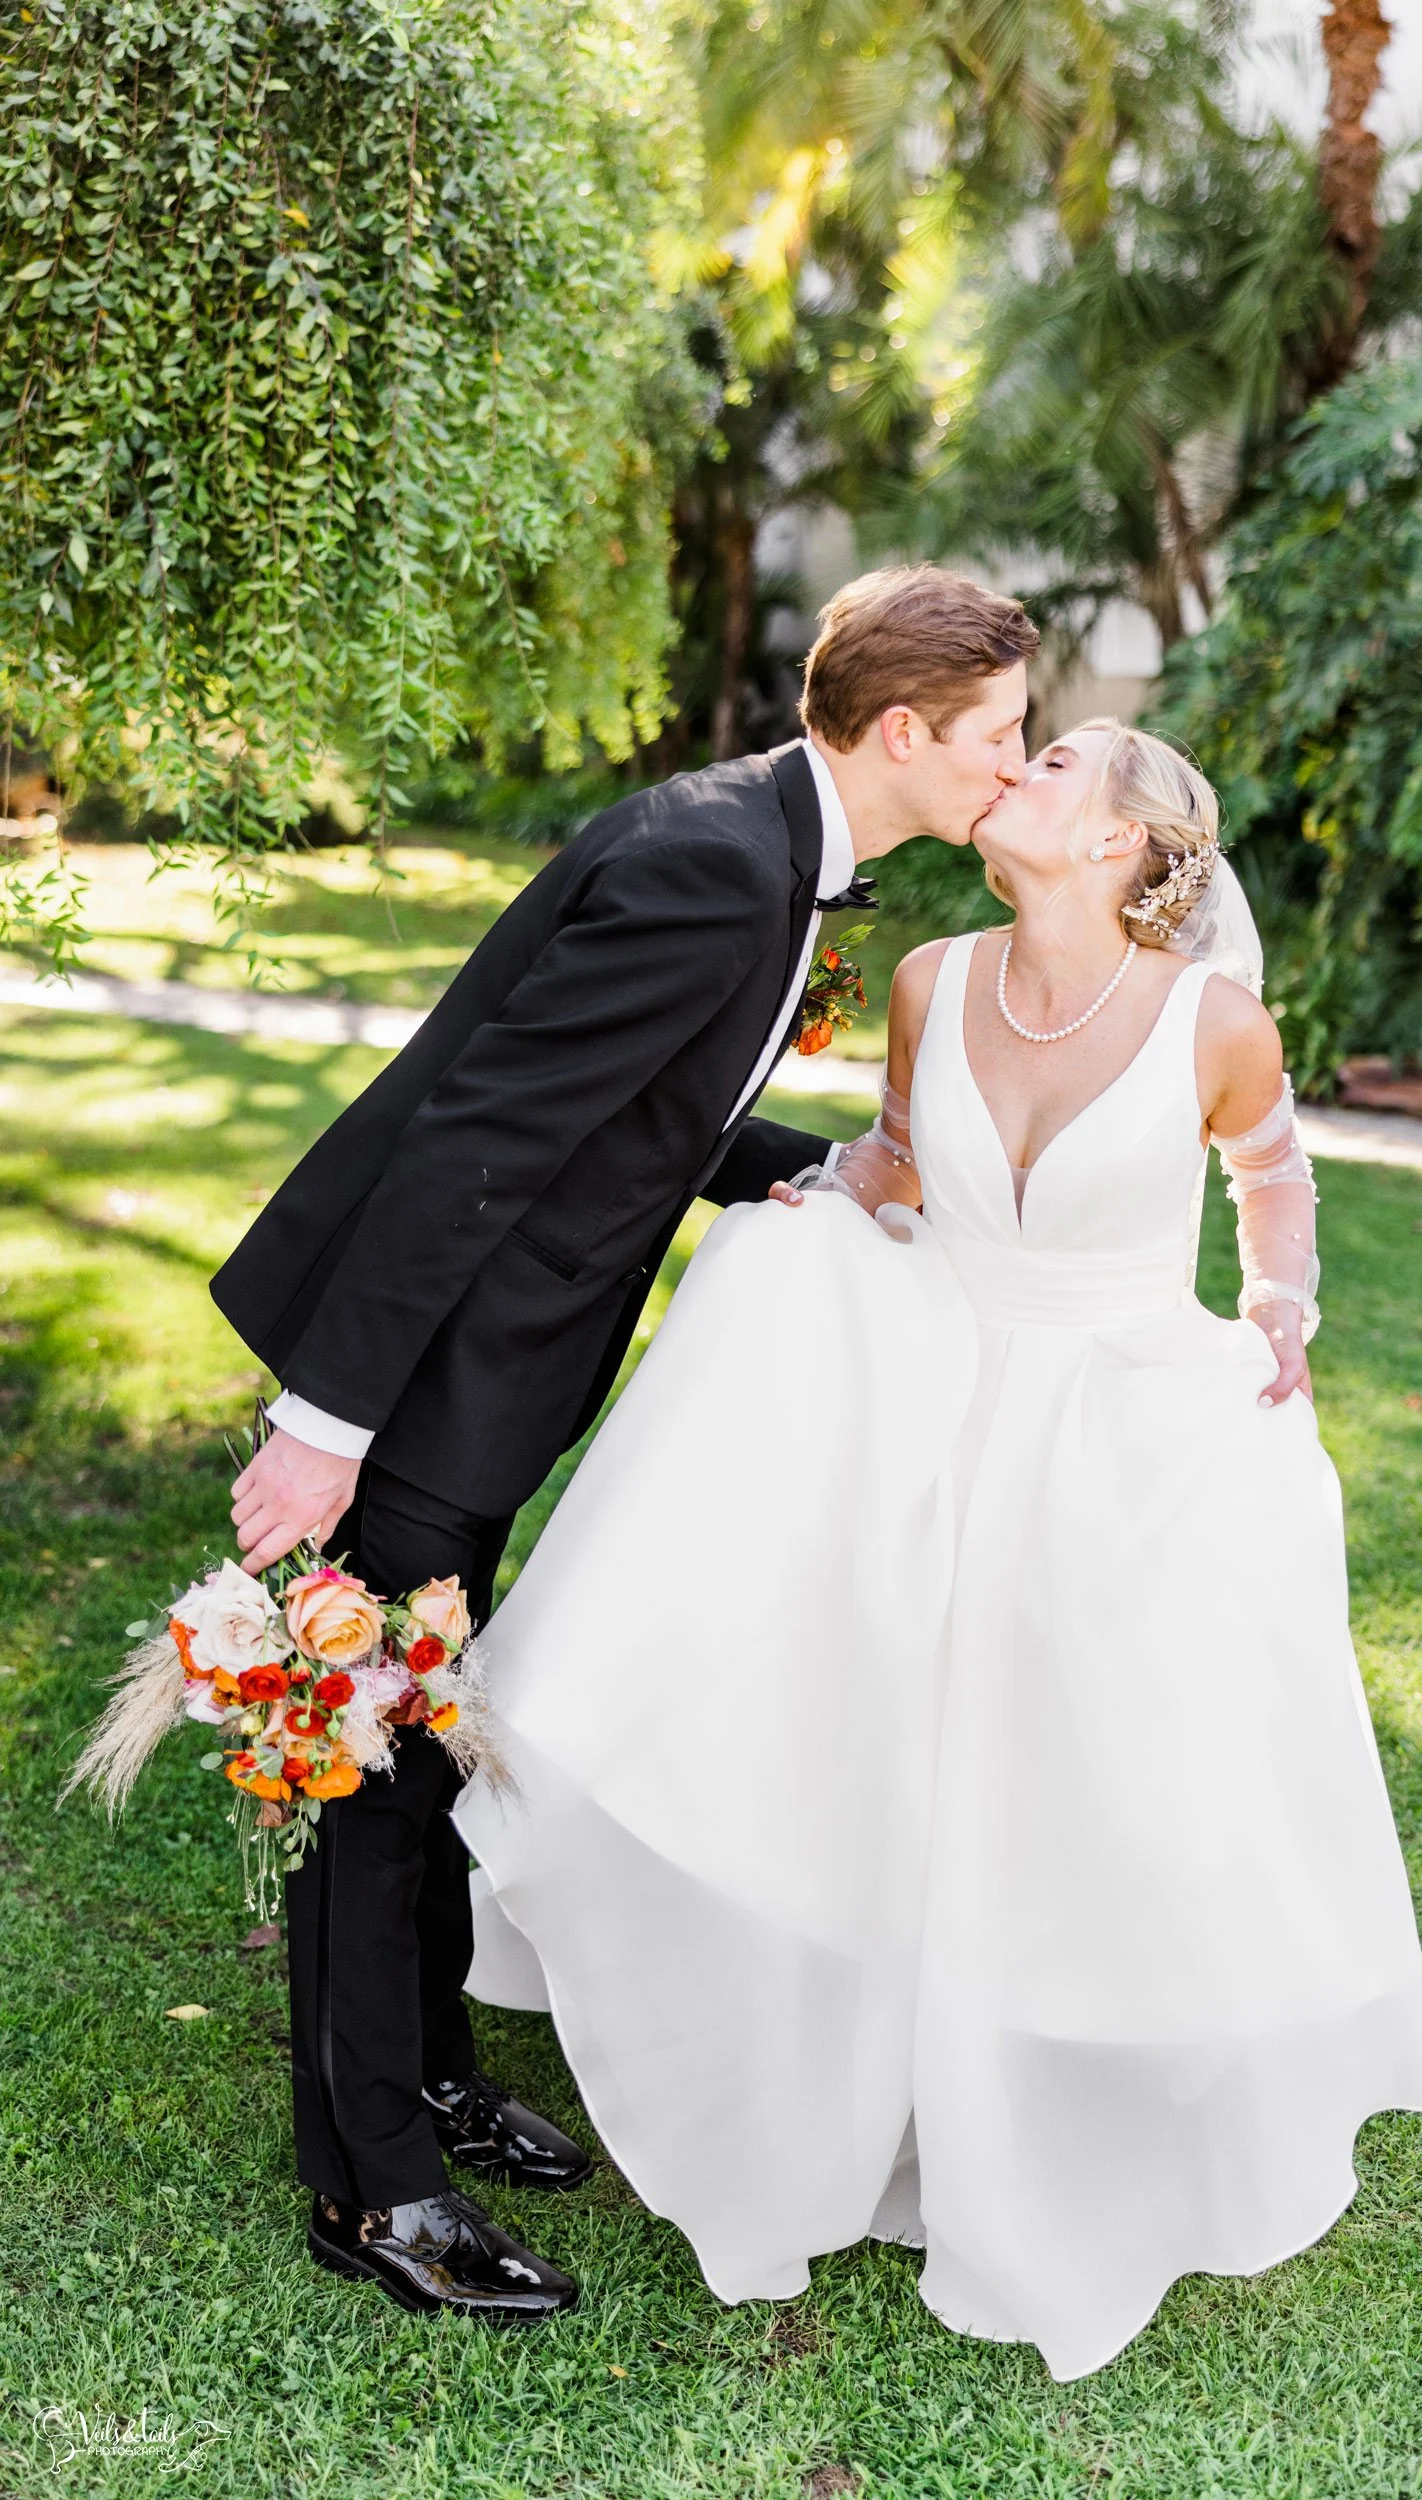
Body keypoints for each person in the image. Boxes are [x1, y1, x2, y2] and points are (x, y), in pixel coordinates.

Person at [455, 717, 1422, 2377]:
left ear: (1124, 840)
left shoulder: (1214, 1021)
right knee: (877, 1731)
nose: (1016, 771)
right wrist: (821, 1204)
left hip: (1110, 1412)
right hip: (926, 1372)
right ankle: (847, 2064)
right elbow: (901, 1163)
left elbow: (1269, 1173)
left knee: (1059, 1752)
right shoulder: (930, 977)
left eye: (1053, 763)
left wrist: (1280, 1300)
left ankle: (1044, 2070)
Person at [208, 566, 1039, 2319]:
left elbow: (643, 1106)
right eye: (1000, 736)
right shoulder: (715, 864)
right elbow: (479, 1139)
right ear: (905, 730)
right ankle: (375, 2190)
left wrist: (808, 1166)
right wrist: (326, 1424)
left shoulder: (770, 852)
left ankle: (433, 2072)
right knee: (365, 1769)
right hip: (422, 1377)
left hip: (483, 1376)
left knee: (428, 1735)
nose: (1013, 768)